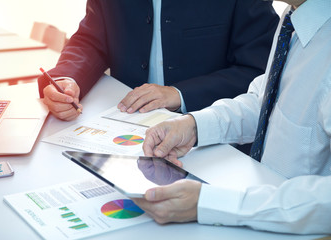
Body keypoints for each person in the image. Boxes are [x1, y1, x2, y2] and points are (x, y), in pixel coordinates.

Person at [134, 0, 331, 234]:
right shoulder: (297, 17)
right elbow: (267, 100)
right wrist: (194, 126)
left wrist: (211, 204)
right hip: (257, 210)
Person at [38, 0, 279, 121]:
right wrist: (66, 79)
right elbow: (91, 40)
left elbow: (259, 70)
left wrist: (179, 94)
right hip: (124, 124)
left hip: (212, 133)